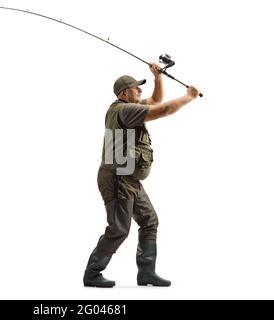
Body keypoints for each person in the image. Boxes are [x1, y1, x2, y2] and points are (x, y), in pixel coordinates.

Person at [83, 63, 200, 287]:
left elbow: (155, 101)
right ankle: (92, 273)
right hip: (117, 177)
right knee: (119, 228)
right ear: (124, 93)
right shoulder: (124, 110)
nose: (140, 91)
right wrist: (189, 97)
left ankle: (146, 273)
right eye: (136, 88)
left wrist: (157, 78)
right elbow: (163, 109)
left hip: (128, 175)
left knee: (149, 220)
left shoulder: (128, 107)